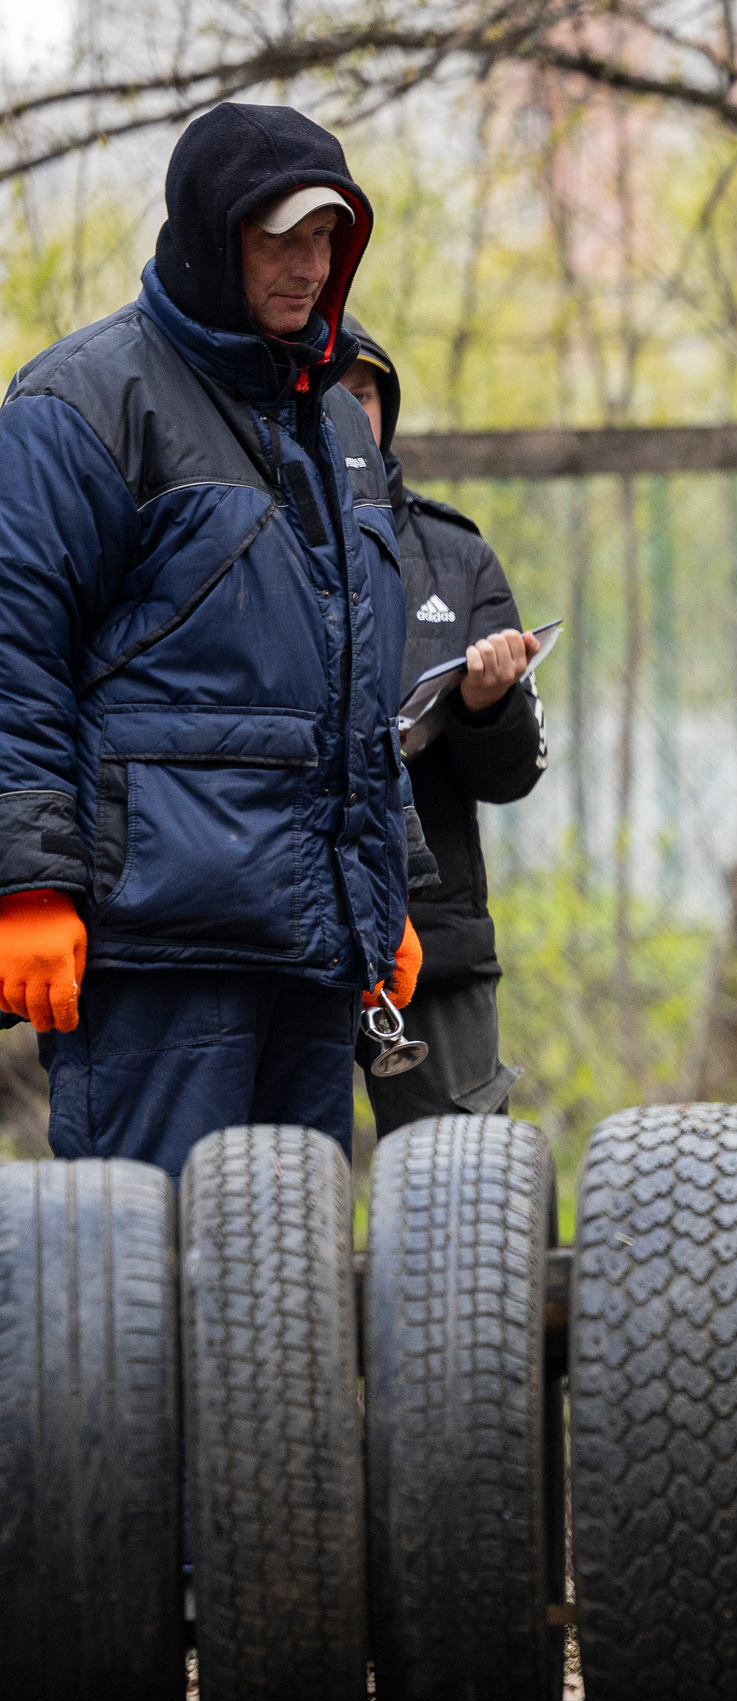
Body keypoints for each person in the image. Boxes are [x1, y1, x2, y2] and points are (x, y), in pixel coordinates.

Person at [0, 102, 431, 1174]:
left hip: (312, 954)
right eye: (281, 236)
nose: (311, 266)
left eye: (329, 238)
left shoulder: (334, 418)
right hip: (157, 952)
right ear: (209, 231)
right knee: (136, 1288)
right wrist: (28, 887)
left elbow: (358, 680)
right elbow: (15, 657)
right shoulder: (83, 405)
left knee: (286, 1293)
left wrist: (389, 892)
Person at [338, 315, 547, 1127]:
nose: (349, 417)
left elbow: (514, 773)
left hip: (435, 933)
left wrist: (487, 705)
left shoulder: (457, 555)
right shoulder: (249, 537)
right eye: (328, 397)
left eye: (364, 396)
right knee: (268, 1186)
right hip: (280, 937)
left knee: (463, 1188)